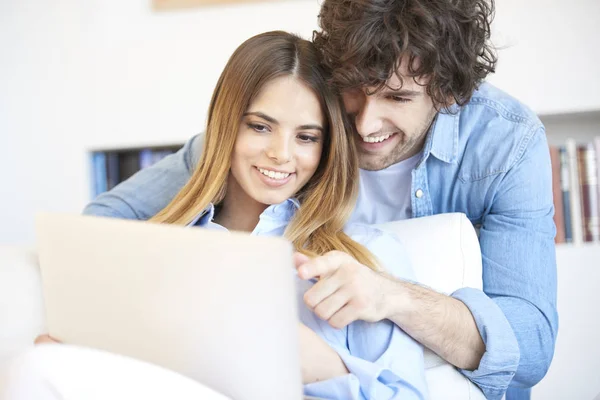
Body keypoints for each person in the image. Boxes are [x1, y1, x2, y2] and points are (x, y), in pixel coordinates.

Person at [83, 1, 559, 399]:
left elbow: (528, 347)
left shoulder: (504, 143)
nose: (365, 124)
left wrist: (390, 297)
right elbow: (103, 227)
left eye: (397, 98)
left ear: (447, 91)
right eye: (354, 87)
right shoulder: (260, 143)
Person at [2, 31, 427, 400]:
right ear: (226, 127)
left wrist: (316, 363)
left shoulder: (366, 257)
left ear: (326, 146)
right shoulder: (159, 244)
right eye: (260, 126)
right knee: (36, 368)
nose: (280, 153)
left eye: (306, 136)